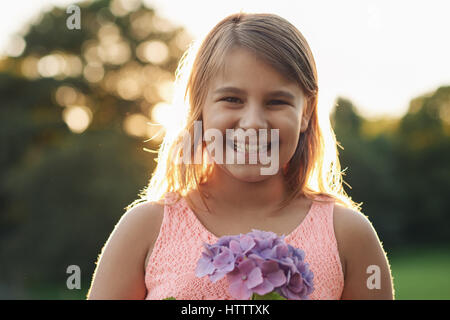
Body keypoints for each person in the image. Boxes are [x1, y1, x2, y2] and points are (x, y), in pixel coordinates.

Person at [87, 12, 394, 300]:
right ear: (200, 108)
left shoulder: (348, 235)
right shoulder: (144, 228)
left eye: (276, 102)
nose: (253, 123)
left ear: (306, 113)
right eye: (232, 99)